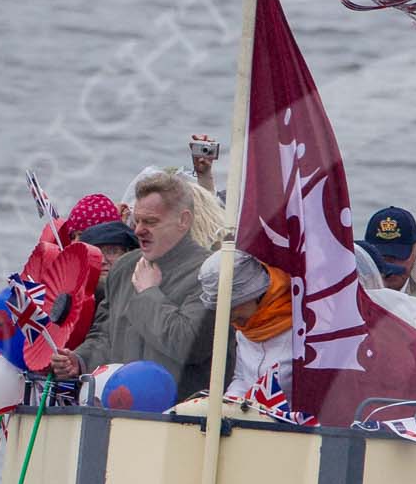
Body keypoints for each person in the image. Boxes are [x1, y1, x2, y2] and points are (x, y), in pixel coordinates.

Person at [51, 171, 225, 396]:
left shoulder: (210, 273)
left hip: (181, 418)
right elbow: (104, 335)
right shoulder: (124, 268)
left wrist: (149, 293)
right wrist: (79, 360)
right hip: (120, 411)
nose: (138, 230)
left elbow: (189, 345)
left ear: (184, 221)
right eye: (138, 220)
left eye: (151, 222)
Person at [213, 251, 296, 401]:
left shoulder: (305, 328)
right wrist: (228, 407)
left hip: (296, 422)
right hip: (253, 422)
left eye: (234, 305)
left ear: (257, 294)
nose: (230, 316)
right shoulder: (245, 329)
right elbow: (242, 379)